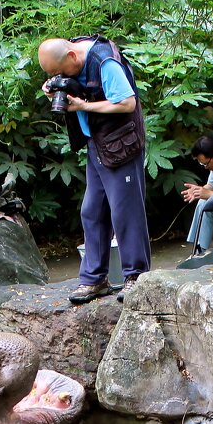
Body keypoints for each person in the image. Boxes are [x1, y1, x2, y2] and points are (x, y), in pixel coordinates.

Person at [38, 36, 151, 304]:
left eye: (59, 73)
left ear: (72, 58)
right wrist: (53, 87)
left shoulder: (105, 62)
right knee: (92, 210)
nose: (59, 78)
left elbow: (127, 103)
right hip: (97, 145)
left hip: (120, 145)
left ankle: (137, 277)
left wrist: (83, 106)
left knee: (126, 212)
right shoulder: (75, 52)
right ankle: (94, 279)